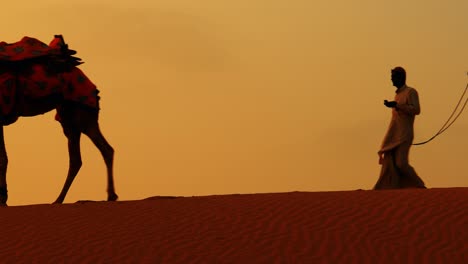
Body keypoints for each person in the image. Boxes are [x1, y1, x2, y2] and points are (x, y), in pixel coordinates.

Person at [374, 67, 426, 189]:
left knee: (401, 163)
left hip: (405, 135)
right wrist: (394, 105)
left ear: (400, 77)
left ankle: (420, 187)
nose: (391, 80)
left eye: (393, 77)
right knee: (394, 164)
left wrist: (397, 105)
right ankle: (398, 188)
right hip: (396, 134)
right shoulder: (397, 95)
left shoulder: (410, 92)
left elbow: (416, 110)